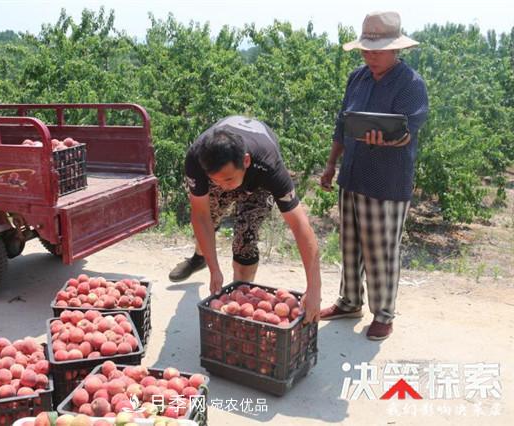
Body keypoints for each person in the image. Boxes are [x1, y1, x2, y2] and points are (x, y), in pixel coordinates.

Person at [319, 11, 429, 340]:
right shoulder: (358, 78)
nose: (370, 55)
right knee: (350, 245)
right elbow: (343, 123)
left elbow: (410, 128)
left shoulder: (411, 84)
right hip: (352, 175)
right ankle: (350, 301)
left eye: (376, 50)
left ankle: (384, 313)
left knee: (381, 250)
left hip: (387, 181)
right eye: (366, 49)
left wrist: (390, 138)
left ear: (396, 49)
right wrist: (330, 164)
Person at [168, 115, 322, 323]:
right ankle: (200, 258)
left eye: (228, 179)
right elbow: (201, 216)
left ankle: (238, 303)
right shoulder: (197, 159)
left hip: (256, 180)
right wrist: (215, 269)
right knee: (211, 217)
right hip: (224, 168)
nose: (223, 186)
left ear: (246, 161)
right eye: (216, 180)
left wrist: (314, 290)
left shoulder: (269, 166)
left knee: (245, 239)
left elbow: (300, 226)